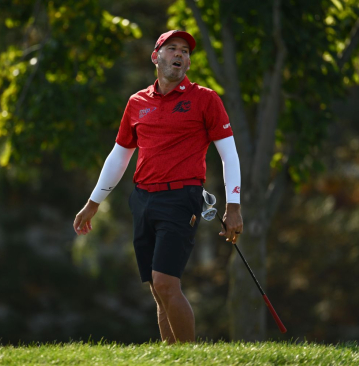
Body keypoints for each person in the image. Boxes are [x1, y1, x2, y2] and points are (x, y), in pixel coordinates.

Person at [73, 30, 243, 344]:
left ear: (189, 63)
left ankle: (191, 359)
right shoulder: (137, 103)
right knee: (157, 288)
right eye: (172, 49)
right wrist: (93, 202)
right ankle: (170, 357)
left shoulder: (205, 99)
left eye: (185, 52)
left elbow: (228, 154)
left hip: (181, 197)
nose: (179, 55)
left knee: (166, 283)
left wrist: (234, 206)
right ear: (156, 57)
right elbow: (119, 156)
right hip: (142, 199)